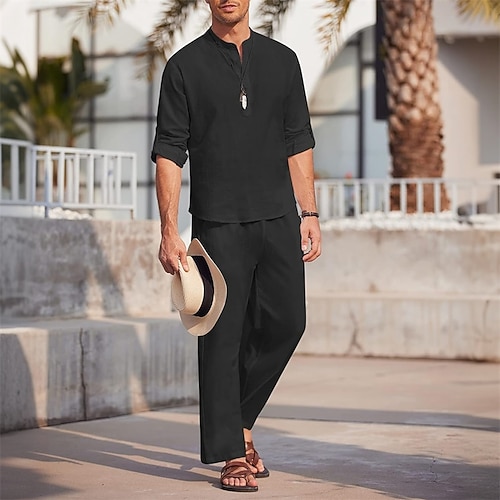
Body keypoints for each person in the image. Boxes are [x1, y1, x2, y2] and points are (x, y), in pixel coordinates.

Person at [151, 0, 321, 492]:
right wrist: (168, 229)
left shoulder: (283, 61)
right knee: (222, 339)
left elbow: (298, 141)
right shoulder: (183, 67)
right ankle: (233, 452)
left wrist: (309, 213)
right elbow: (169, 151)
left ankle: (239, 422)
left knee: (288, 323)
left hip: (278, 218)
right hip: (217, 222)